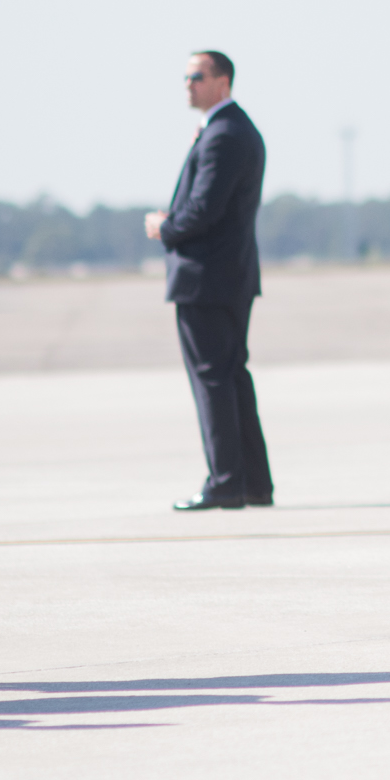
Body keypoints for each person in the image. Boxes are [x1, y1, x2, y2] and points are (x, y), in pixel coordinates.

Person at [144, 52, 271, 512]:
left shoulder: (224, 135)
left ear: (223, 81)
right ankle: (253, 483)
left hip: (208, 280)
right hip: (228, 277)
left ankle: (225, 483)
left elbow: (204, 210)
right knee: (231, 377)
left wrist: (165, 226)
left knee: (213, 381)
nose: (188, 85)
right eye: (185, 78)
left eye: (196, 77)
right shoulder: (230, 130)